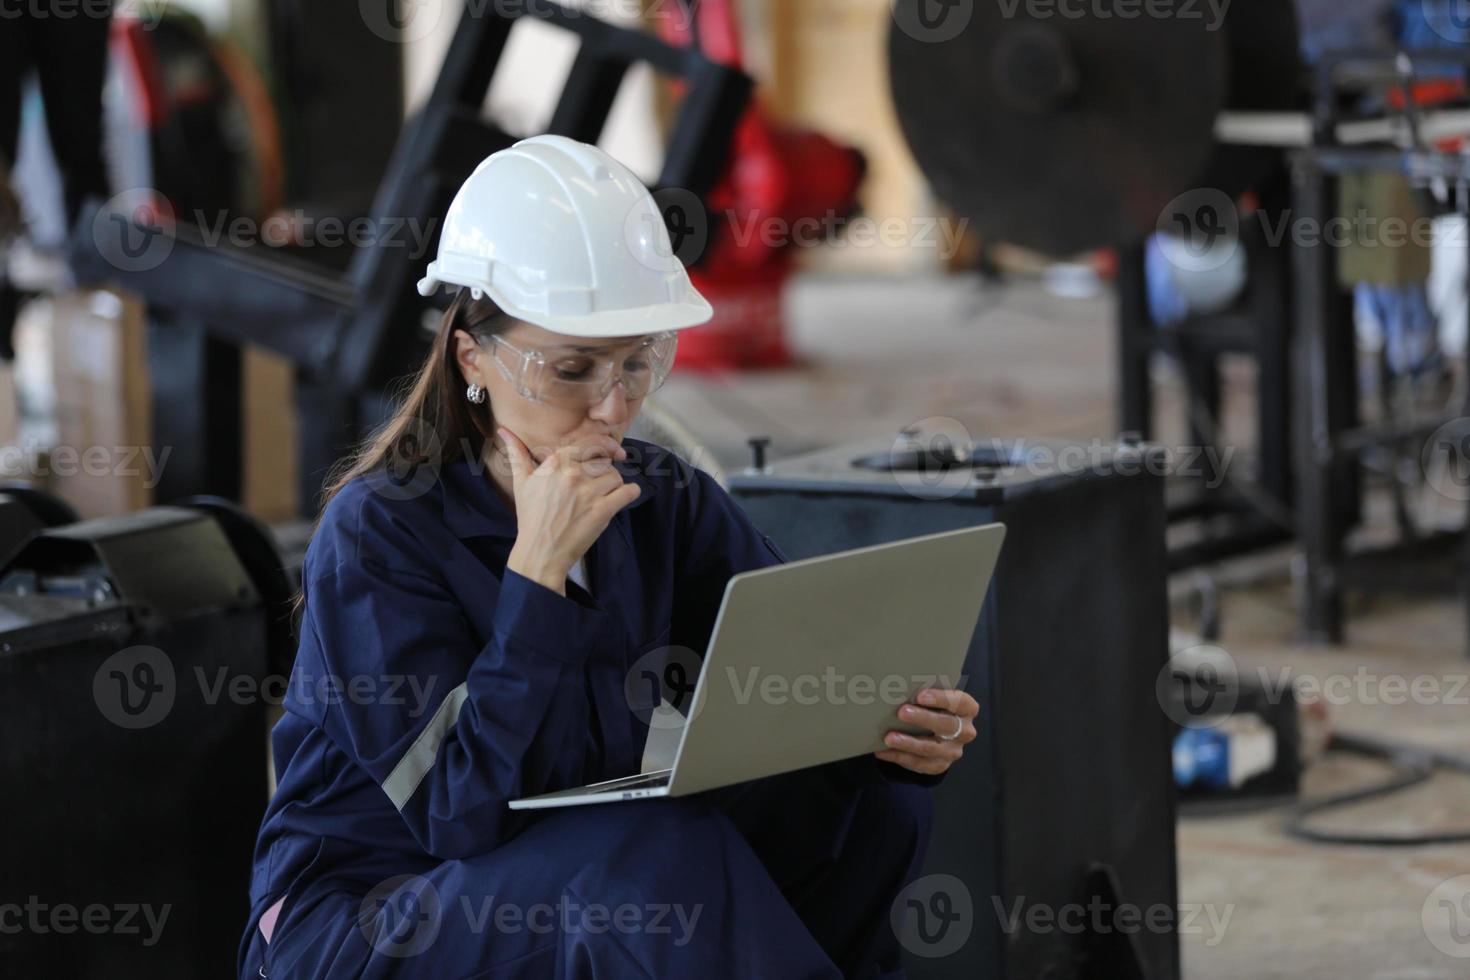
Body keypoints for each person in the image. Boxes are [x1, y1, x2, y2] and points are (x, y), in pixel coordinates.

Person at [238, 135, 980, 979]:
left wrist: (887, 725)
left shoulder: (662, 500)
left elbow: (799, 671)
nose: (613, 406)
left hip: (561, 861)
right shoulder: (378, 535)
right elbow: (457, 815)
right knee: (648, 859)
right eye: (573, 369)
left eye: (637, 363)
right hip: (366, 910)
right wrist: (536, 579)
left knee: (870, 803)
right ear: (472, 356)